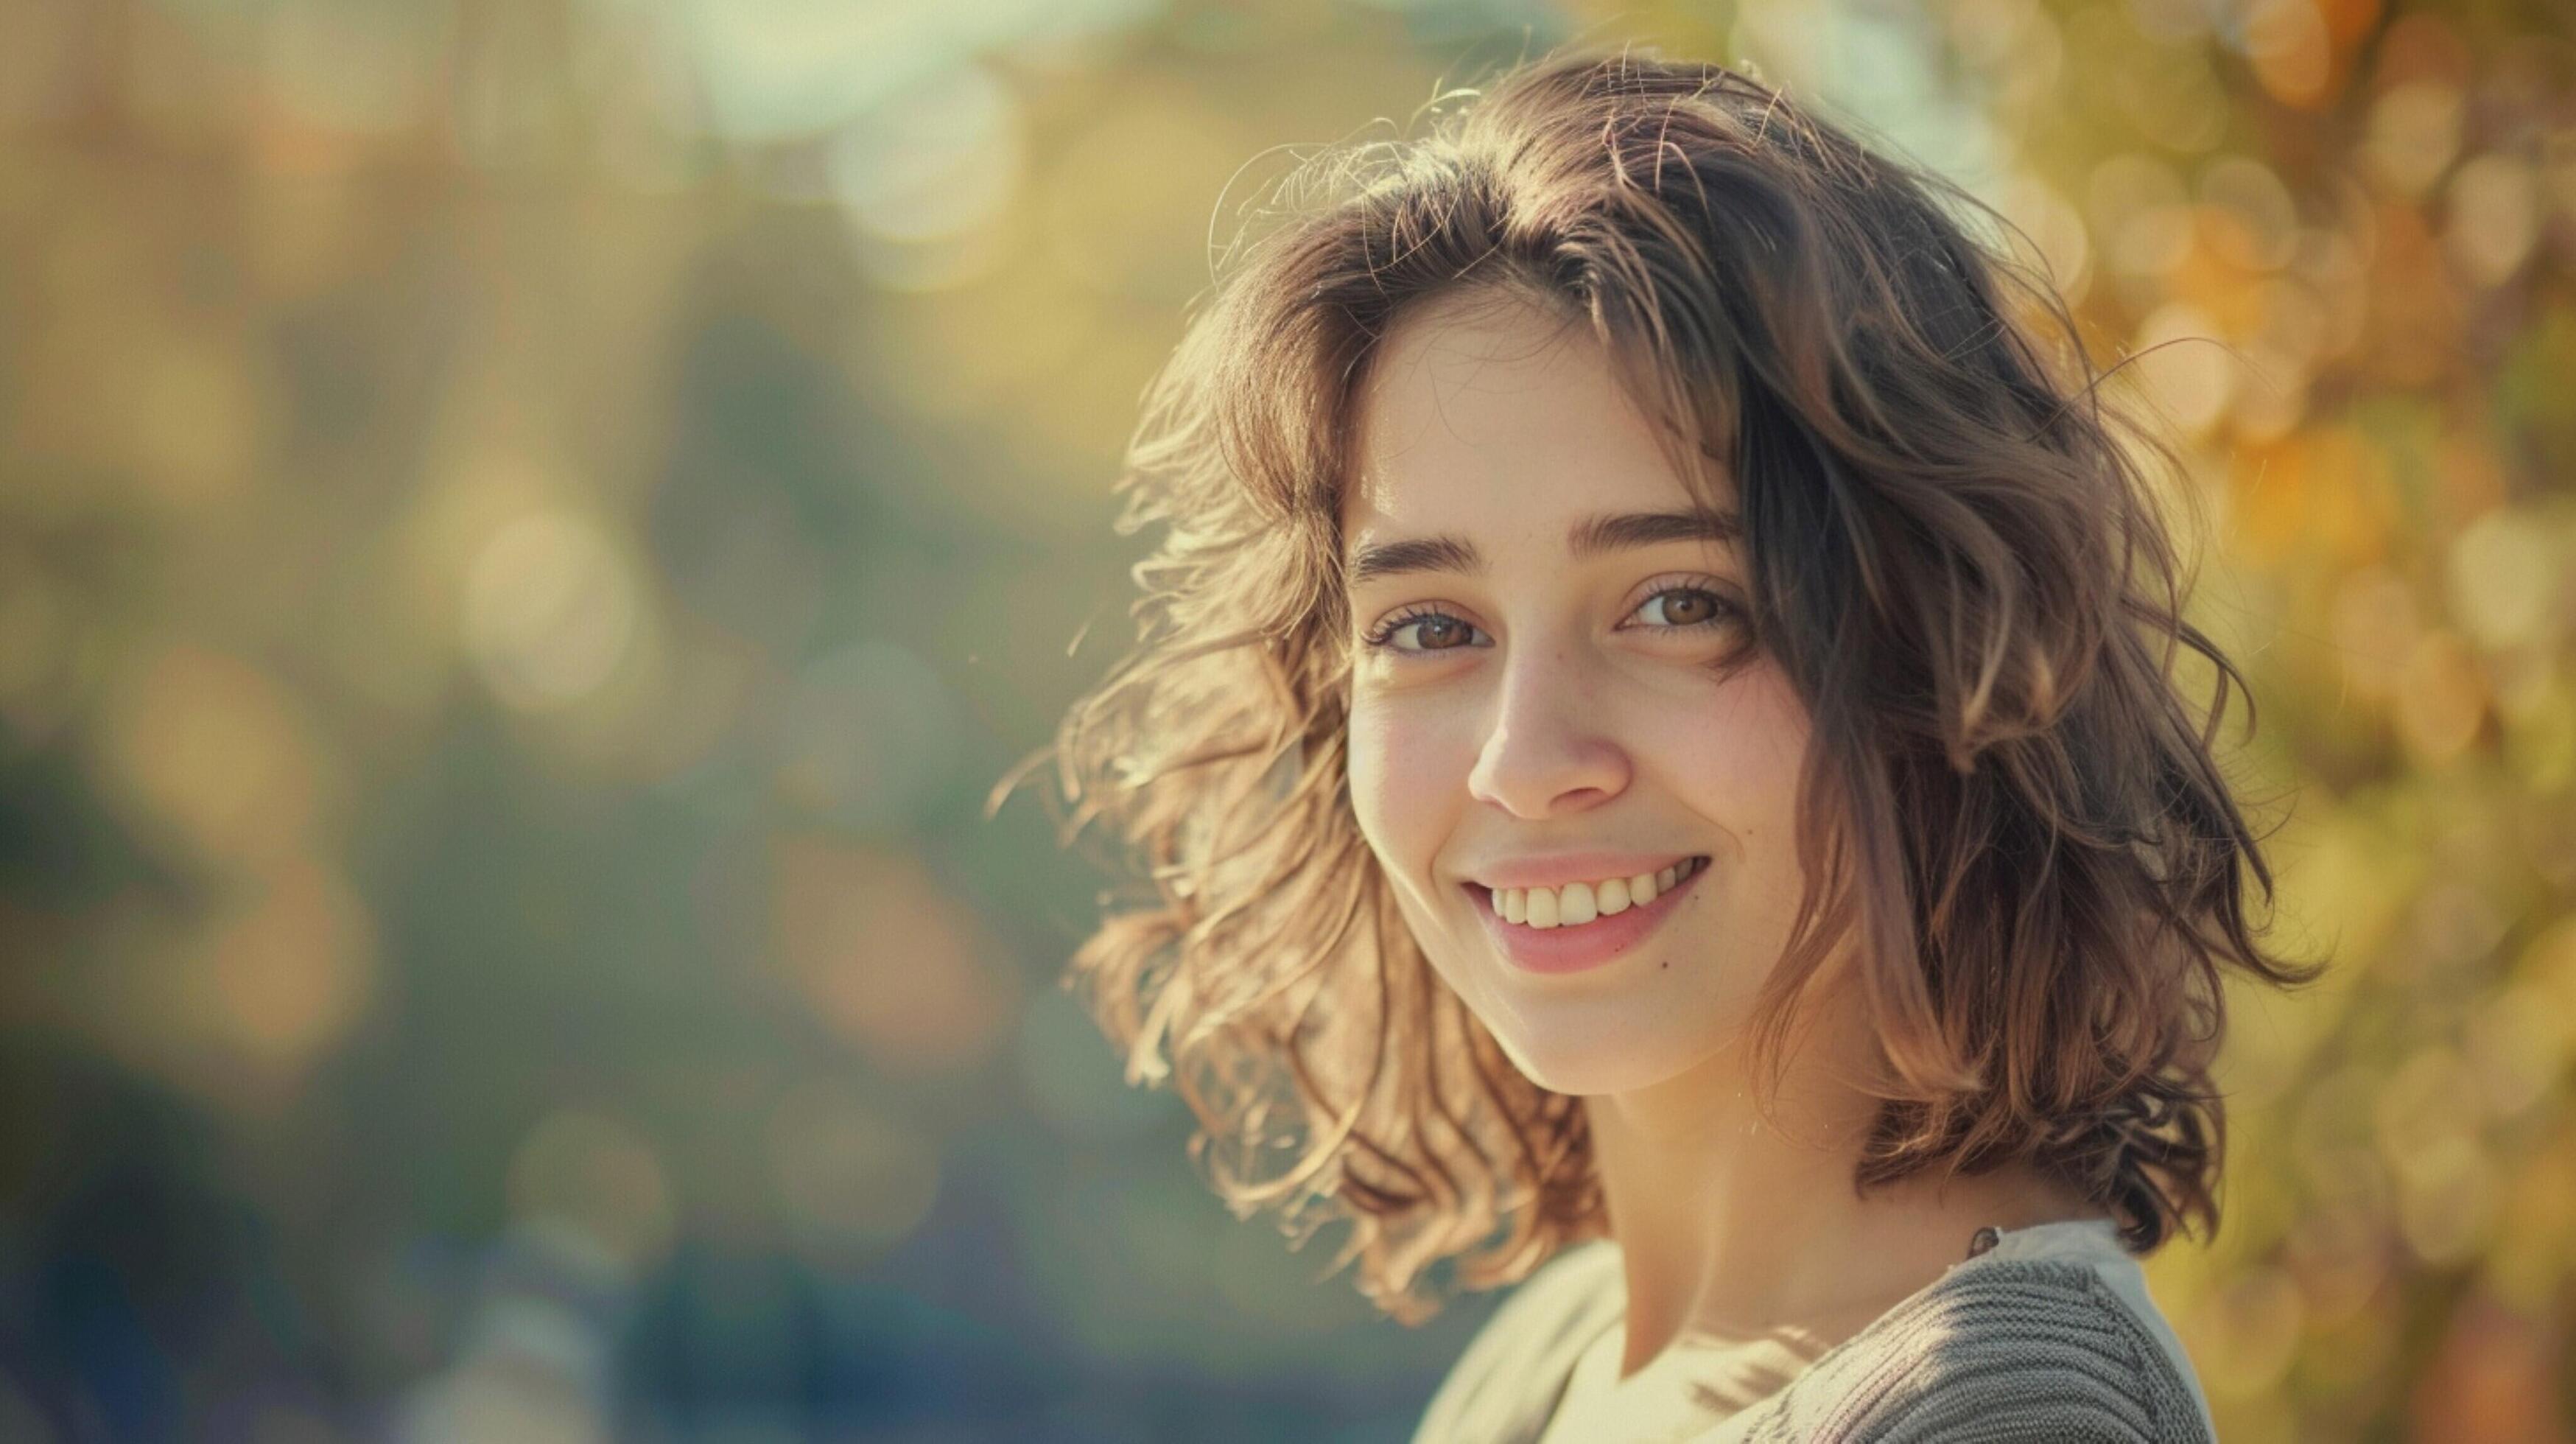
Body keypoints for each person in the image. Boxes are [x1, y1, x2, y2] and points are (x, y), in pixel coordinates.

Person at [1024, 43, 2323, 1441]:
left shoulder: (2004, 1415)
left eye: (1677, 604)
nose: (1522, 759)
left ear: (1940, 653)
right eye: (1425, 626)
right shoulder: (1563, 1362)